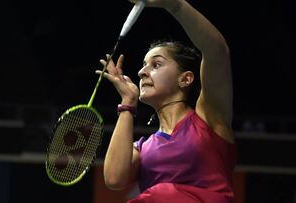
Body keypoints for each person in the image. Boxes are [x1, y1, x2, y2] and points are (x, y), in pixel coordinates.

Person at [96, 0, 236, 202]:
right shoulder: (142, 148)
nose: (141, 72)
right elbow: (114, 179)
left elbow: (217, 51)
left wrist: (175, 5)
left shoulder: (210, 118)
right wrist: (127, 103)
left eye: (156, 64)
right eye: (143, 66)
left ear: (185, 78)